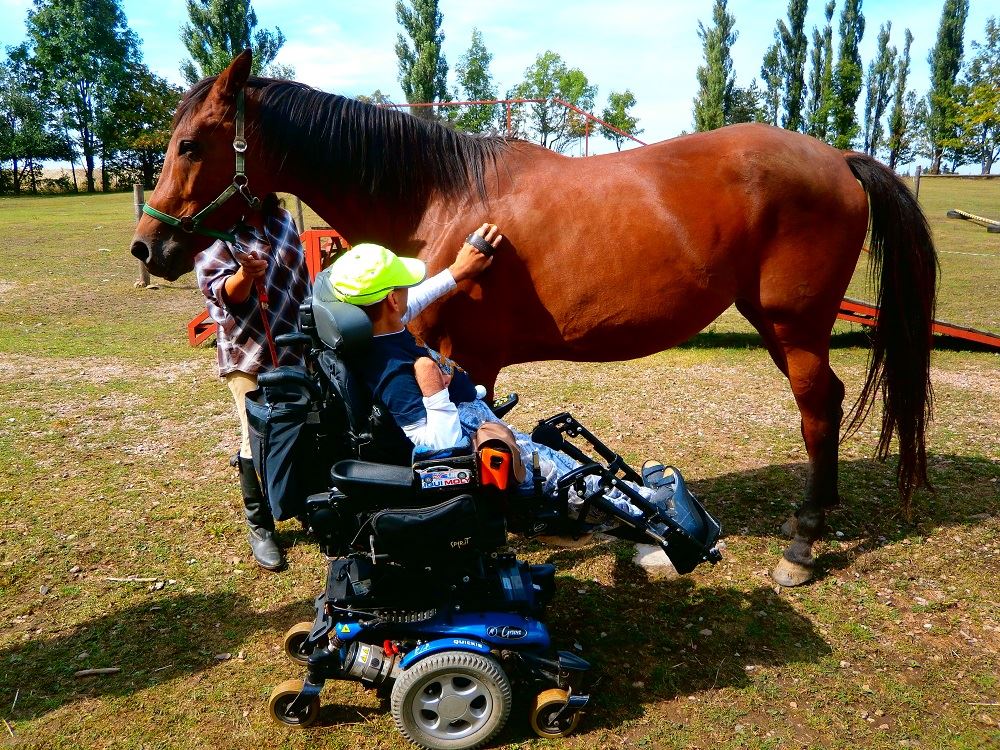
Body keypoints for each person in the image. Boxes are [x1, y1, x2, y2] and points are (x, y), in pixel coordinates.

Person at [326, 228, 696, 530]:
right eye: (401, 290)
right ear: (391, 300)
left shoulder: (376, 332)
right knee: (557, 476)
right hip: (471, 439)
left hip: (475, 415)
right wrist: (433, 386)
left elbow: (414, 300)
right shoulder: (392, 370)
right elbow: (437, 445)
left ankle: (635, 492)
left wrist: (457, 272)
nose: (408, 295)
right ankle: (654, 514)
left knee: (555, 455)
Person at [195, 195, 310, 572]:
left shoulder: (281, 220)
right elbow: (221, 294)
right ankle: (260, 526)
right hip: (250, 353)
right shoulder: (217, 231)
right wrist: (245, 276)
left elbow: (302, 282)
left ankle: (301, 502)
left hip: (296, 347)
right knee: (254, 438)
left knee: (302, 427)